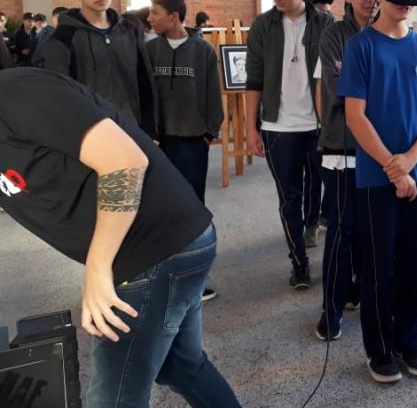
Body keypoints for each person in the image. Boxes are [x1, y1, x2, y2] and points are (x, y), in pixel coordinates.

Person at [0, 67, 240, 407]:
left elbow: (125, 163)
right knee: (181, 367)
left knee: (113, 400)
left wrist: (97, 270)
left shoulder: (16, 93)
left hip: (152, 250)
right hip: (171, 244)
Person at [338, 0, 417, 383]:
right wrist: (392, 166)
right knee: (377, 263)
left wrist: (411, 161)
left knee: (412, 261)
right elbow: (355, 116)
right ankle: (379, 348)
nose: (405, 5)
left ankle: (409, 340)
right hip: (375, 175)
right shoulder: (361, 47)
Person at [245, 0, 333, 289]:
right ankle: (299, 261)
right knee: (288, 197)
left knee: (321, 187)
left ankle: (316, 230)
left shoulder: (325, 25)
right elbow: (253, 80)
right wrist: (251, 128)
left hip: (319, 126)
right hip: (277, 128)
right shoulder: (263, 26)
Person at [311, 0, 375, 341]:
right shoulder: (334, 35)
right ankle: (330, 308)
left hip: (382, 151)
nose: (372, 0)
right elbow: (338, 95)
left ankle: (359, 291)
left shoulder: (391, 34)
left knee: (371, 231)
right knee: (341, 231)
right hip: (342, 147)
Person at [33, 0, 159, 138]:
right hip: (91, 133)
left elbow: (144, 79)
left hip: (133, 127)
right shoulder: (64, 37)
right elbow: (59, 93)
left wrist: (150, 129)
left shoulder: (128, 30)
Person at [146, 0, 223, 202]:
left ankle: (197, 237)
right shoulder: (148, 50)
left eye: (155, 13)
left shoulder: (203, 50)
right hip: (158, 140)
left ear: (173, 16)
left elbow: (213, 94)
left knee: (193, 198)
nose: (149, 18)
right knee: (164, 199)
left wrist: (209, 132)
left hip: (194, 139)